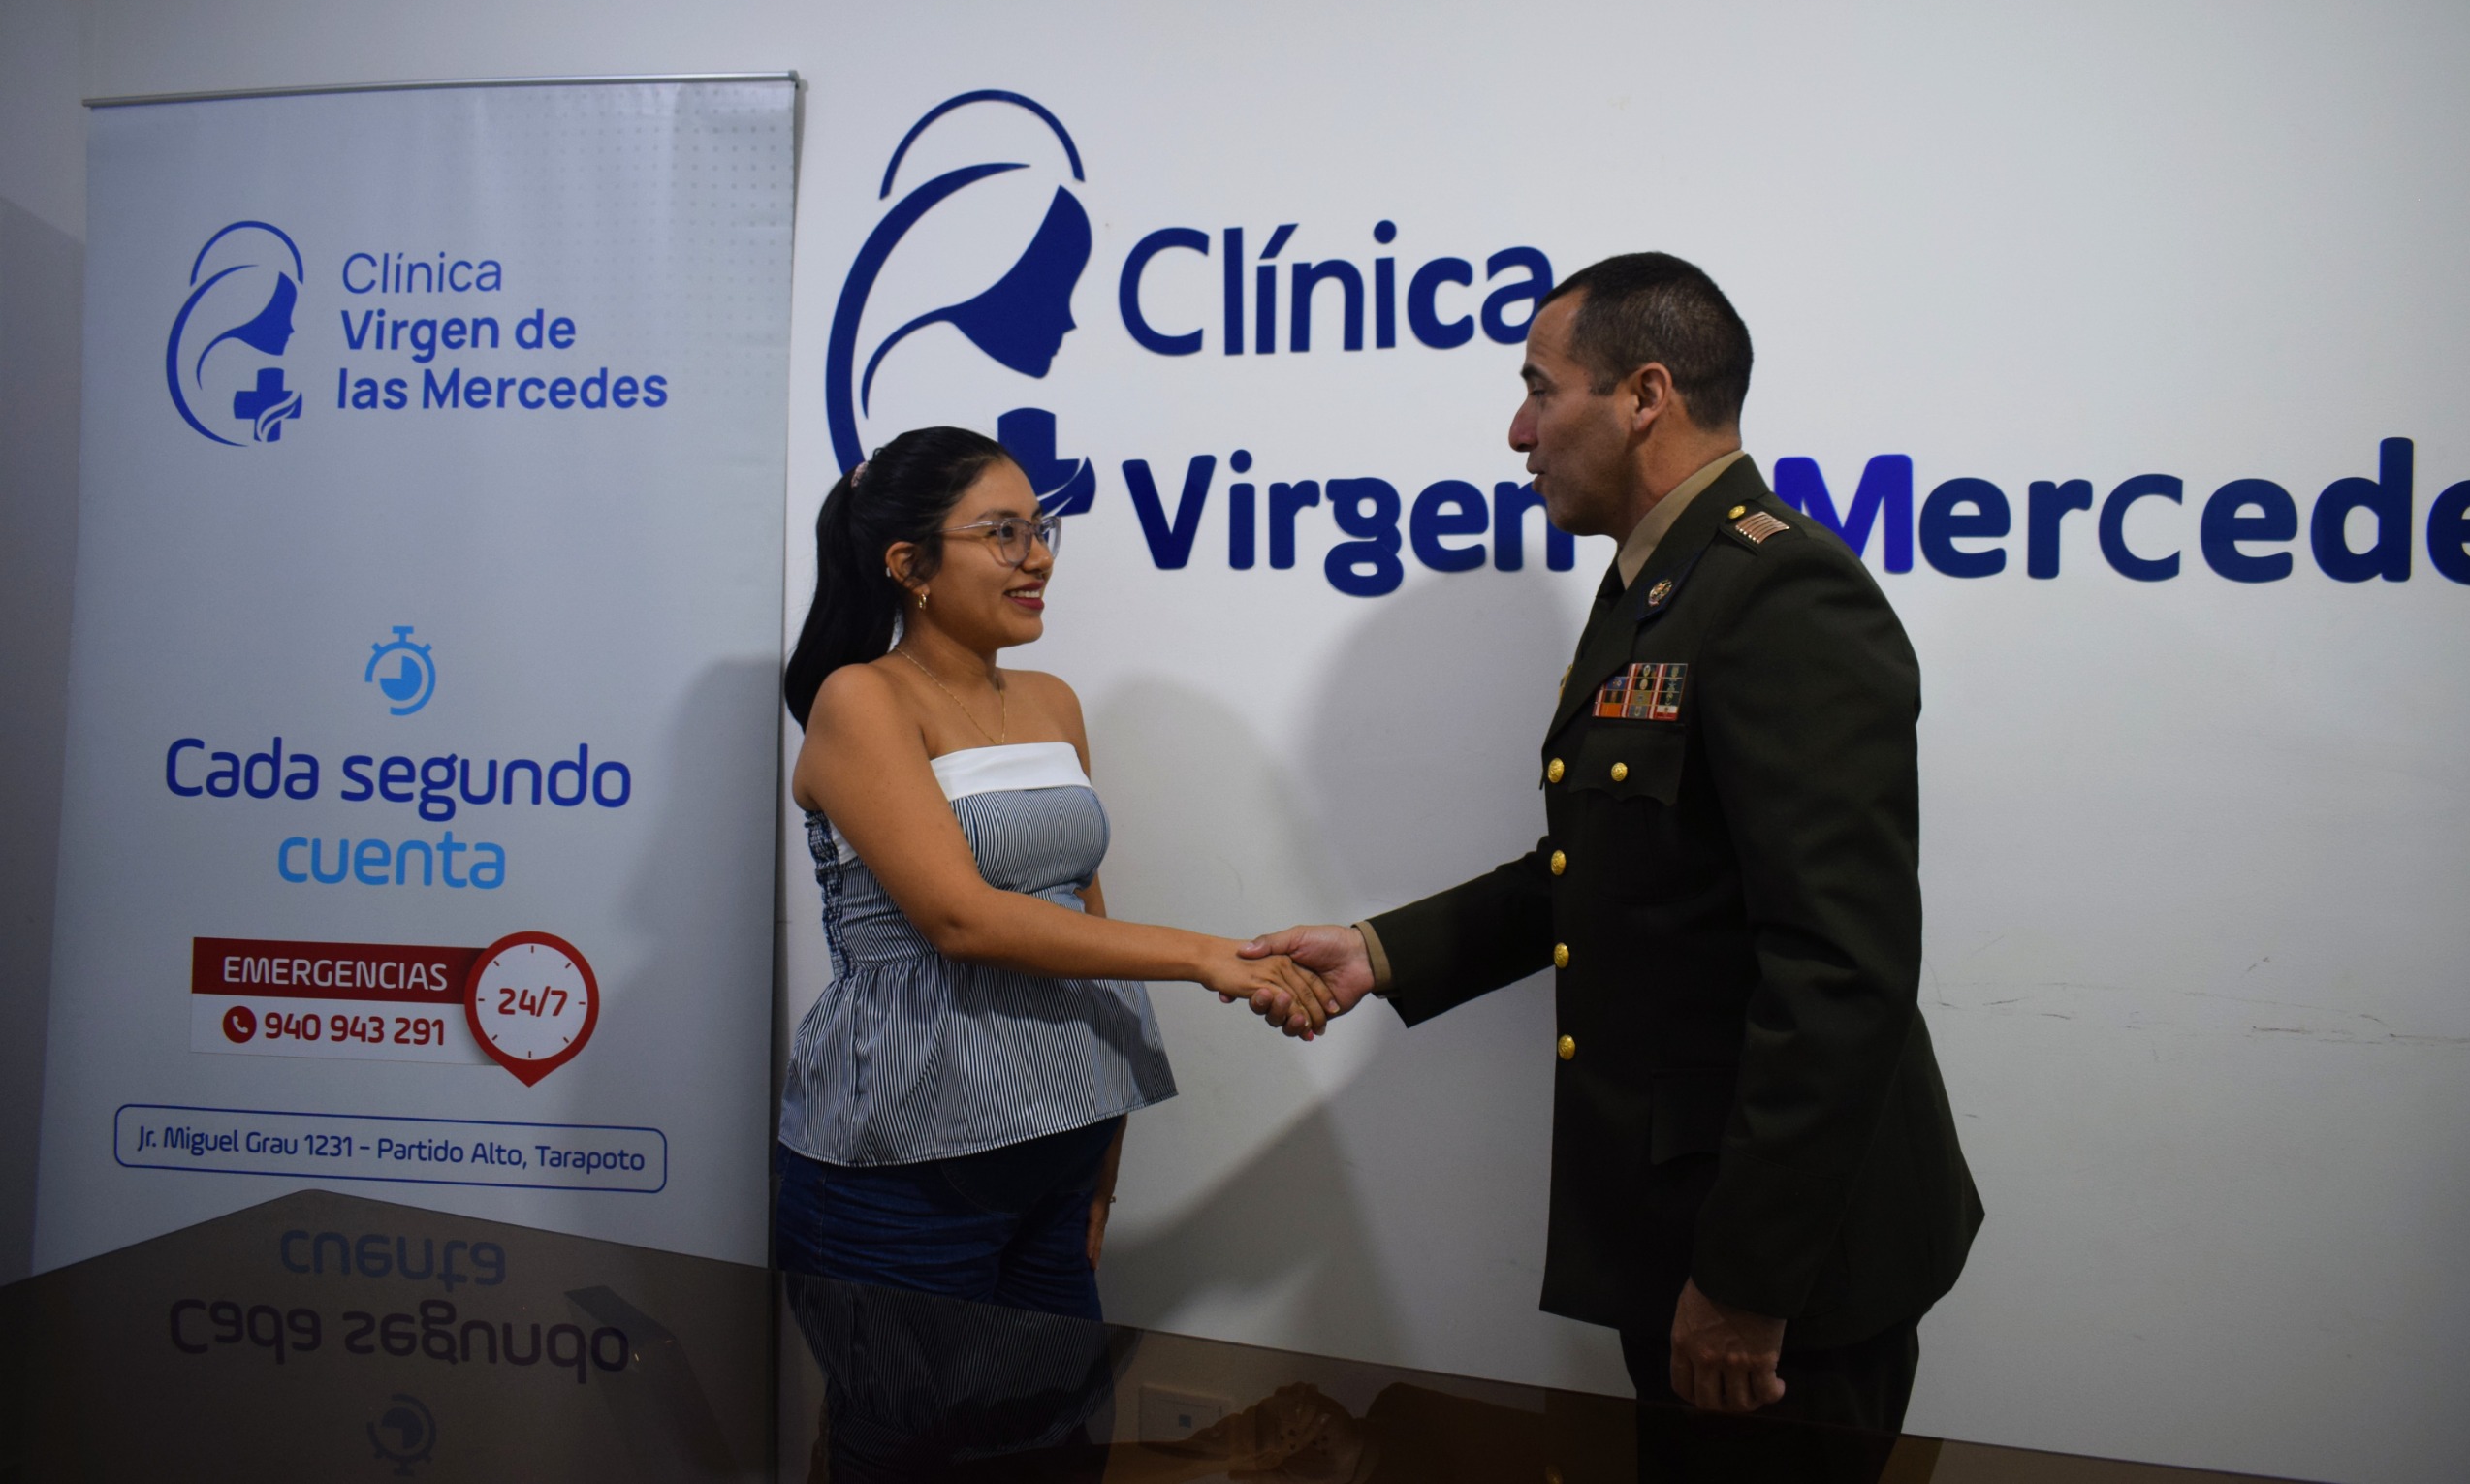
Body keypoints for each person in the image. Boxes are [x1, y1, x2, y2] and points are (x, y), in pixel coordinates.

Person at [1245, 254, 1981, 1433]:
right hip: (1686, 1224)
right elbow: (1609, 869)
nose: (1517, 430)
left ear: (1644, 396)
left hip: (1783, 1275)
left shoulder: (1779, 594)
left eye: (1539, 389)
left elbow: (1840, 968)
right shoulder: (1658, 584)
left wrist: (1745, 1279)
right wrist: (1377, 951)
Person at [777, 425, 1335, 1320]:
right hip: (908, 1156)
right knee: (914, 1412)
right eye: (1004, 533)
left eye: (1040, 530)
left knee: (1056, 1408)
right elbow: (963, 920)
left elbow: (1084, 922)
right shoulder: (861, 698)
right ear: (910, 564)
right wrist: (1206, 956)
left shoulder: (1051, 700)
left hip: (1062, 1142)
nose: (1037, 556)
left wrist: (1104, 1148)